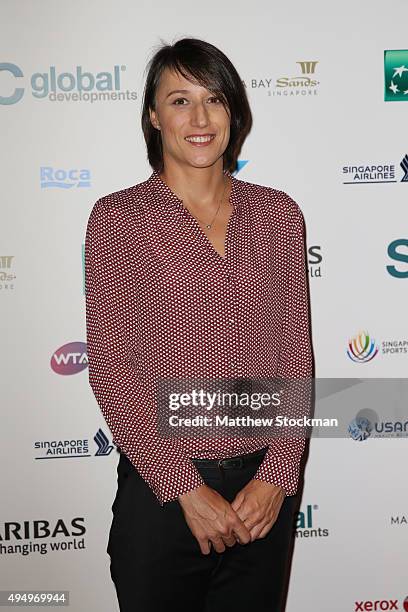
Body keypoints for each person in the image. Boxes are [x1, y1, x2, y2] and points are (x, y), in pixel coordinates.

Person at [84, 37, 313, 612]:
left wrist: (277, 477)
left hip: (263, 497)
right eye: (180, 100)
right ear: (153, 116)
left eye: (214, 99)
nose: (200, 118)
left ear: (234, 112)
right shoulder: (118, 218)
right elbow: (113, 371)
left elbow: (295, 361)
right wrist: (185, 487)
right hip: (163, 496)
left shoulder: (277, 214)